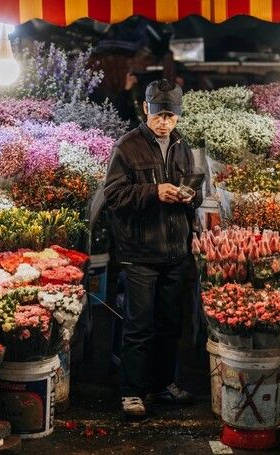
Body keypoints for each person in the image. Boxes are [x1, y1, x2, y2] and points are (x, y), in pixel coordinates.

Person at [103, 79, 203, 419]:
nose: (164, 122)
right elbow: (113, 196)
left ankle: (162, 384)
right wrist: (153, 191)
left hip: (175, 252)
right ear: (145, 109)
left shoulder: (181, 146)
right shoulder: (127, 146)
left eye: (171, 116)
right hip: (139, 254)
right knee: (138, 326)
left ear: (178, 116)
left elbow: (193, 186)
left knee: (169, 324)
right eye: (159, 114)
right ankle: (132, 392)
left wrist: (191, 195)